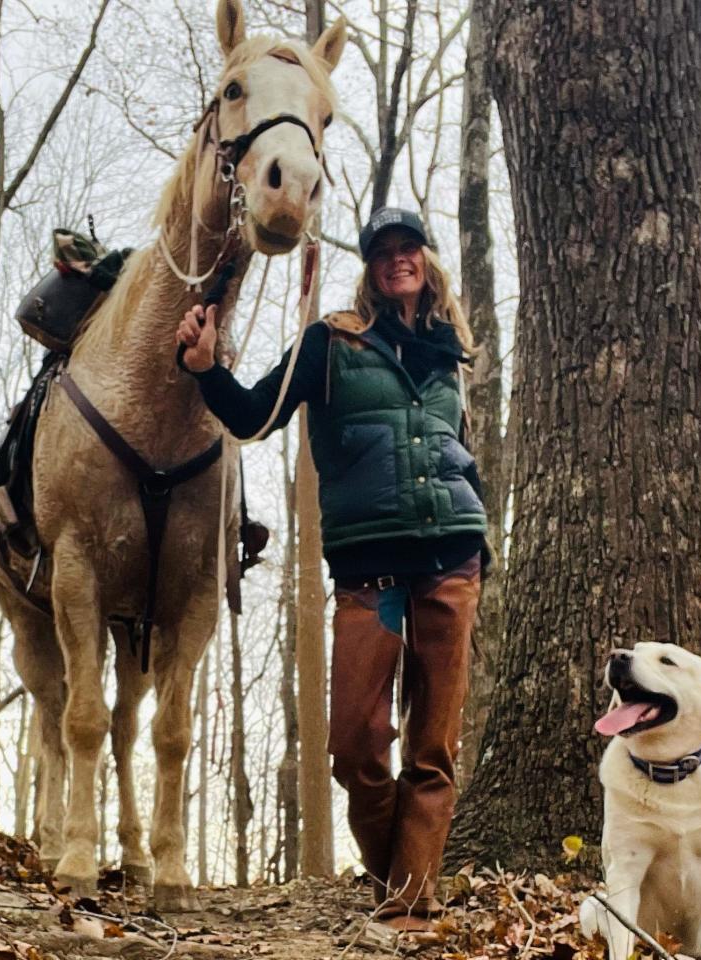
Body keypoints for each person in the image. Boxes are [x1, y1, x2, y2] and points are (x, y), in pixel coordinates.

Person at [176, 207, 487, 933]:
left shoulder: (451, 358)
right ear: (371, 268)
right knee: (354, 743)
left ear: (427, 261)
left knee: (434, 745)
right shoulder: (332, 343)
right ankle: (395, 878)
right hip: (369, 569)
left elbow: (460, 457)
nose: (397, 259)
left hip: (451, 561)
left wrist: (482, 548)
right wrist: (204, 369)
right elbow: (254, 416)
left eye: (409, 248)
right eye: (384, 251)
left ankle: (409, 906)